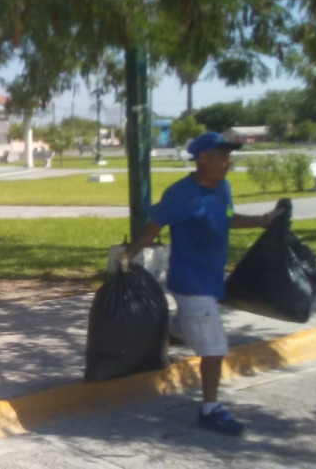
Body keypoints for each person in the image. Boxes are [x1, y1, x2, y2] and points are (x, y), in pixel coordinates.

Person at [118, 131, 281, 436]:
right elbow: (152, 228)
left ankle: (158, 337)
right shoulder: (180, 194)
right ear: (203, 159)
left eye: (228, 157)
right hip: (190, 281)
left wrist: (262, 220)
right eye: (222, 156)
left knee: (185, 330)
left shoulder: (223, 189)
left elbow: (227, 218)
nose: (227, 162)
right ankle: (210, 409)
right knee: (215, 347)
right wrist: (128, 253)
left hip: (212, 278)